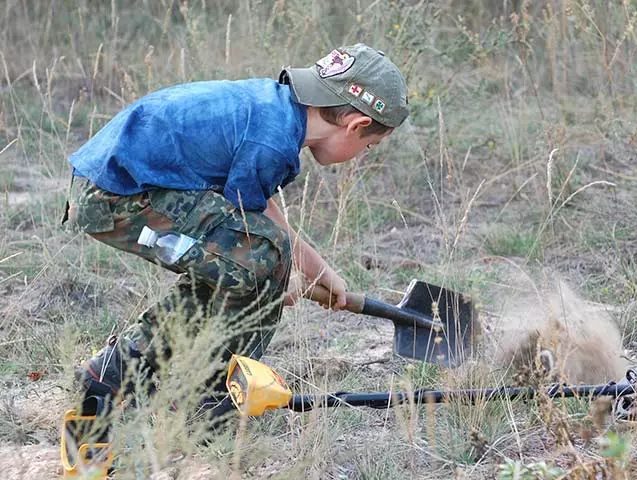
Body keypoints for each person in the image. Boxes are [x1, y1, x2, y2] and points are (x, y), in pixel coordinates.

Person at [62, 44, 409, 422]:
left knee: (252, 258)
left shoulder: (276, 112)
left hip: (113, 187)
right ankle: (214, 402)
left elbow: (255, 210)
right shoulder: (272, 141)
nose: (365, 152)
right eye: (370, 145)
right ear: (356, 125)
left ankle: (117, 371)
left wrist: (321, 272)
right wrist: (279, 276)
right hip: (117, 198)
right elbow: (260, 236)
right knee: (262, 258)